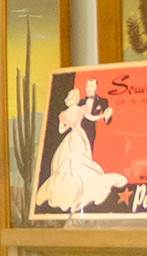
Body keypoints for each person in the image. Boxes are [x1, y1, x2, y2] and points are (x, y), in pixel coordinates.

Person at [36, 77, 128, 213]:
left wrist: (71, 126)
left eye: (91, 86)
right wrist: (101, 117)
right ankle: (79, 193)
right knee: (80, 162)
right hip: (80, 137)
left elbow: (61, 130)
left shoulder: (65, 113)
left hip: (72, 137)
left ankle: (72, 193)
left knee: (70, 164)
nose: (88, 89)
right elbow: (91, 117)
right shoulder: (81, 108)